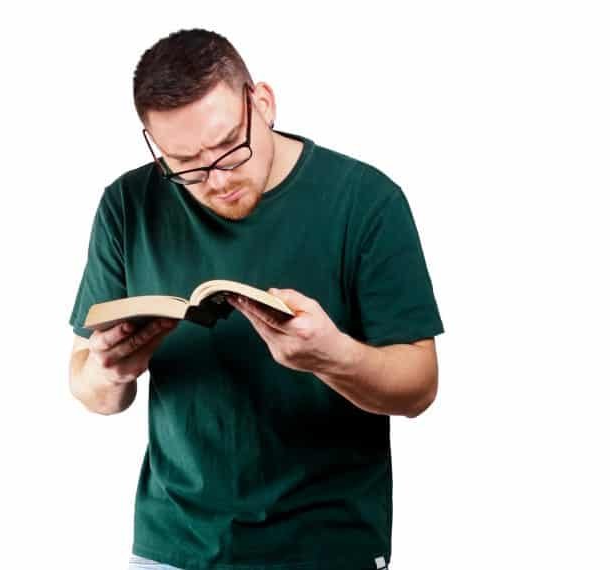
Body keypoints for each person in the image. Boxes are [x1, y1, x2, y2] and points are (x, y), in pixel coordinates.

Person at [68, 28, 444, 570]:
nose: (216, 179)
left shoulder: (367, 201)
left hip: (326, 548)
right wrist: (110, 371)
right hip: (172, 546)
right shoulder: (128, 204)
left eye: (228, 147)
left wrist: (329, 357)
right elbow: (89, 388)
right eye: (185, 164)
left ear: (262, 103)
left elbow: (419, 387)